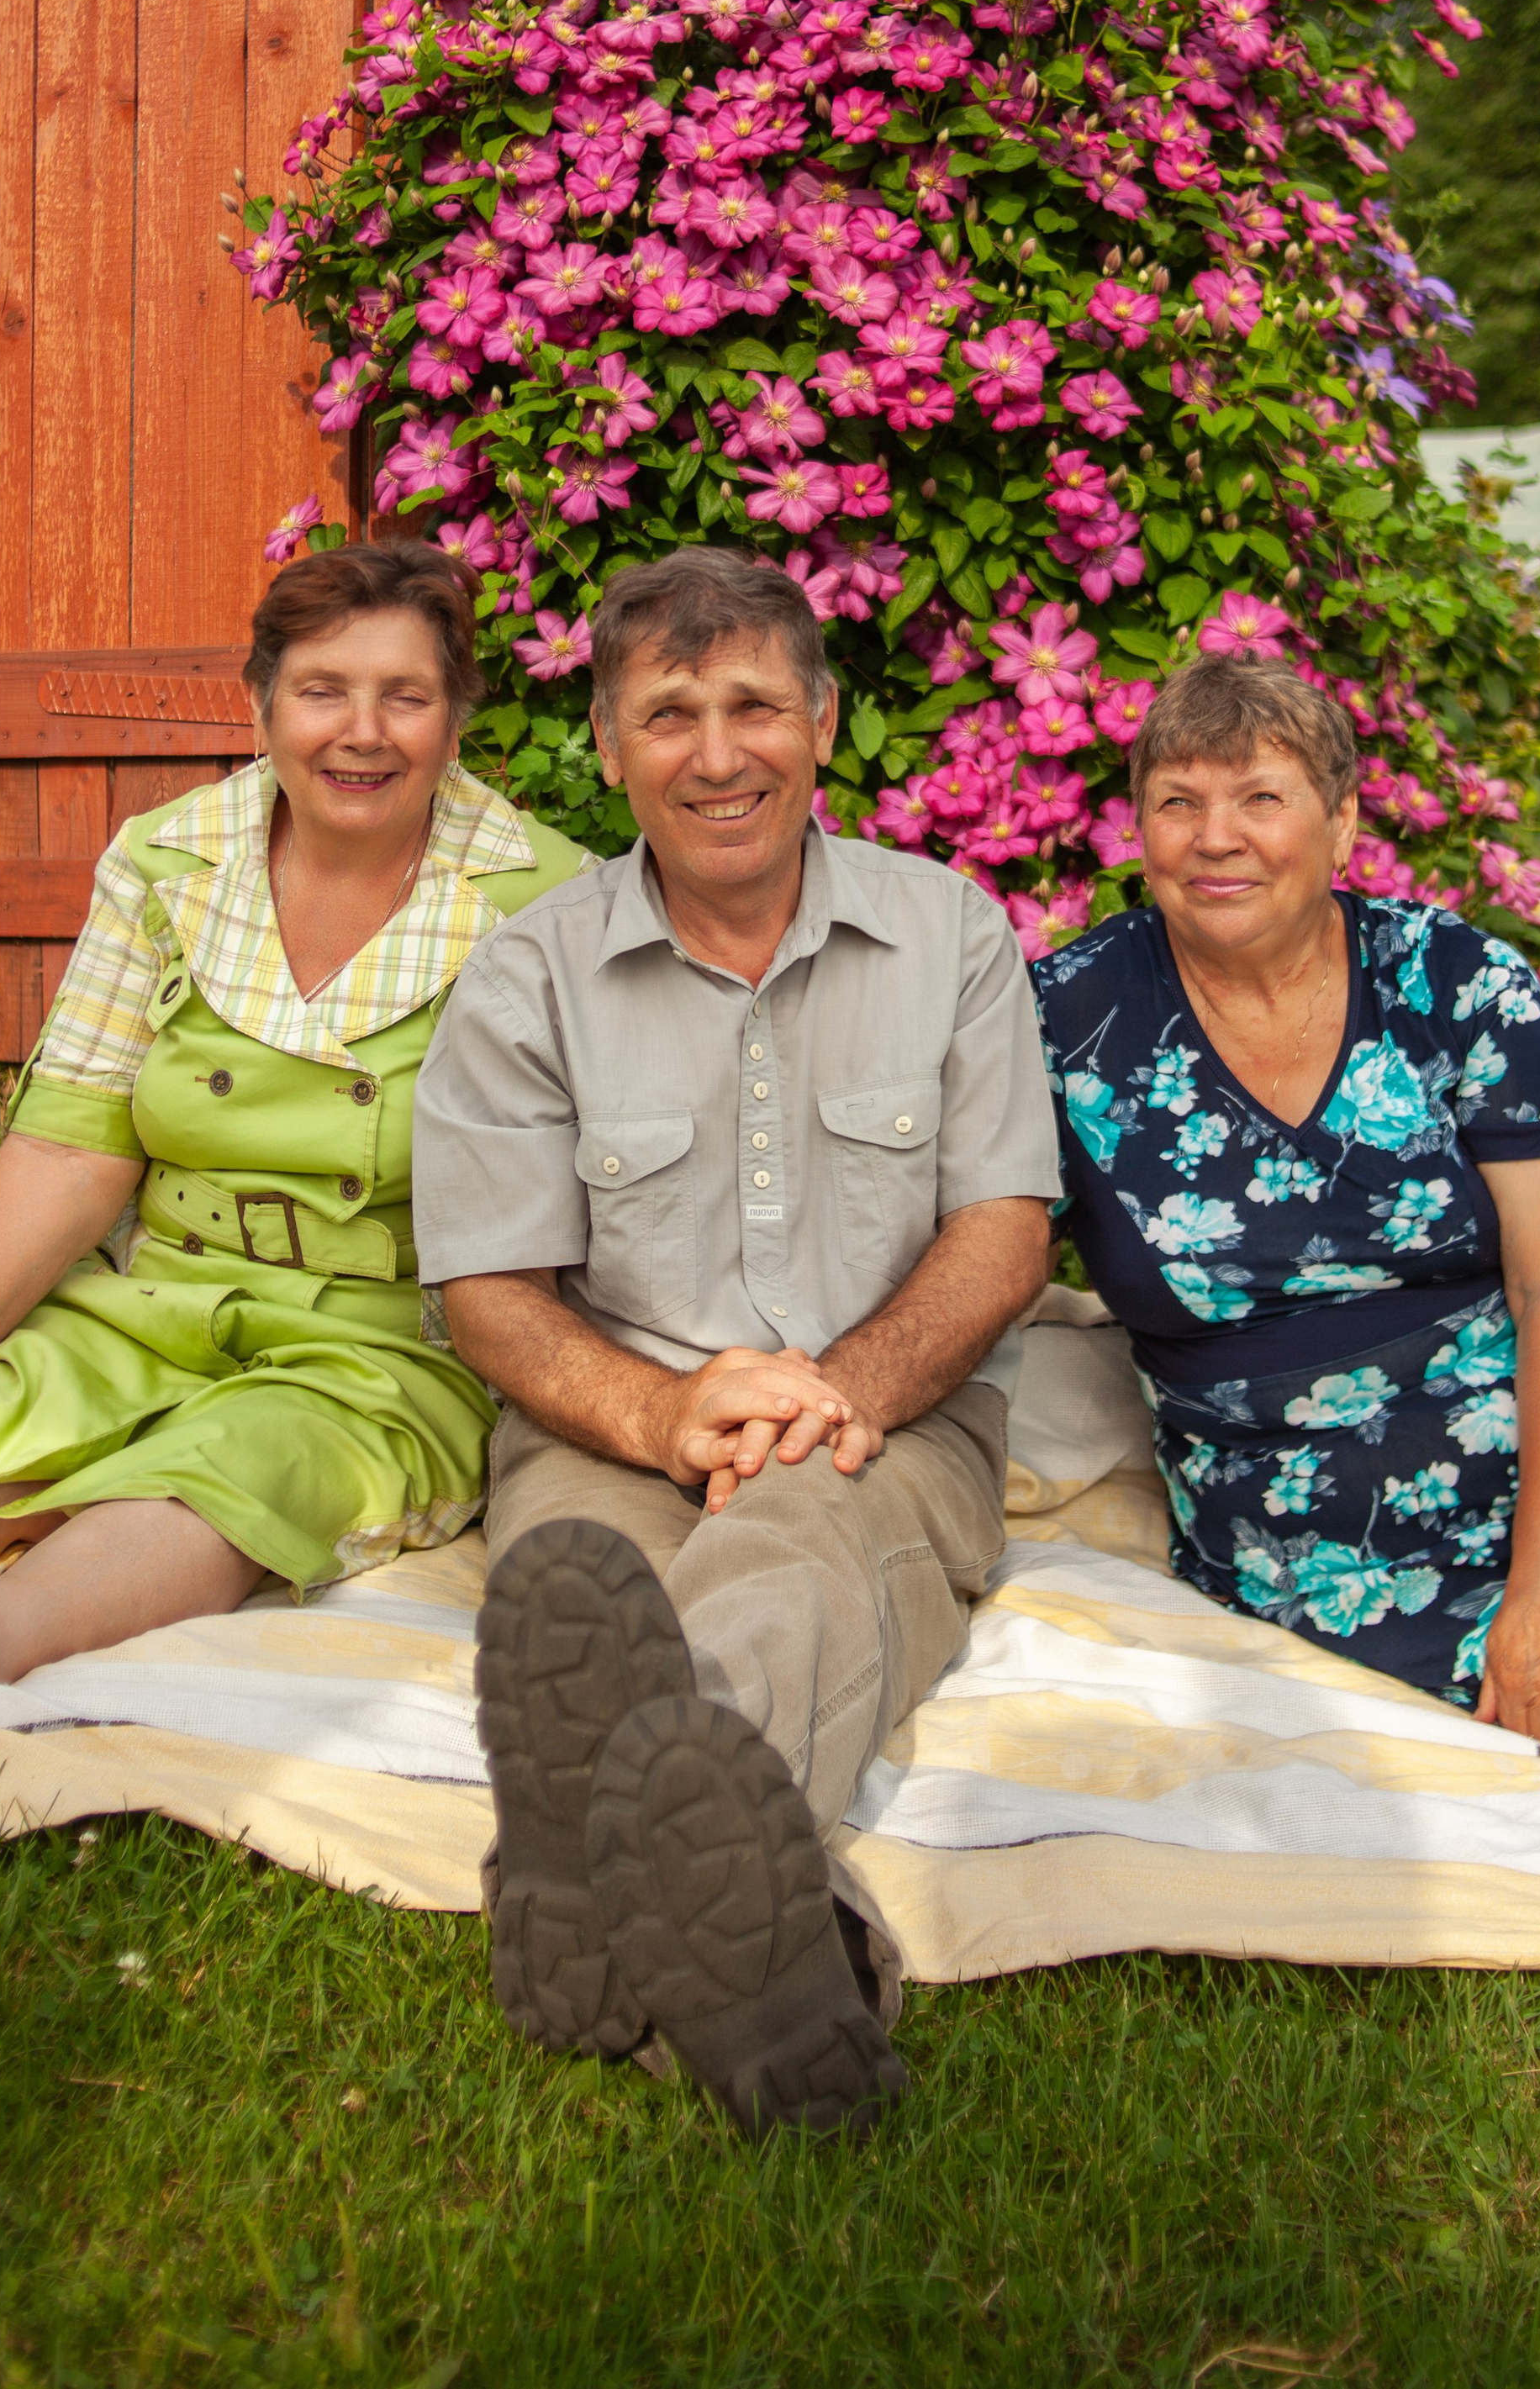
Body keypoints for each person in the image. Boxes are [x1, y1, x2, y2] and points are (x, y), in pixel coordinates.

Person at [0, 542, 591, 1711]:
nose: (363, 731)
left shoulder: (541, 902)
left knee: (230, 1471)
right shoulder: (168, 863)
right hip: (160, 1292)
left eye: (405, 696)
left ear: (456, 721)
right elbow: (68, 1146)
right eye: (322, 691)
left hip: (381, 1343)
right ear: (261, 703)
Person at [410, 546, 1057, 2142]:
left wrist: (834, 1392)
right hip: (604, 1419)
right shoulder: (530, 972)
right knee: (591, 1590)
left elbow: (1003, 1233)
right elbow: (488, 1287)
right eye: (671, 713)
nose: (719, 752)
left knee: (795, 1556)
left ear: (825, 725)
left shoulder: (949, 933)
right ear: (611, 746)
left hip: (887, 1418)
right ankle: (785, 1945)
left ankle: (619, 1875)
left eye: (756, 703)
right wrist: (662, 1412)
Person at [1033, 649, 1540, 1812]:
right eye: (1177, 801)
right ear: (1137, 829)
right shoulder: (1066, 1020)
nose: (1215, 835)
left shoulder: (1458, 983)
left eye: (1261, 797)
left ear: (1342, 825)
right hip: (1321, 1543)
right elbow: (969, 1234)